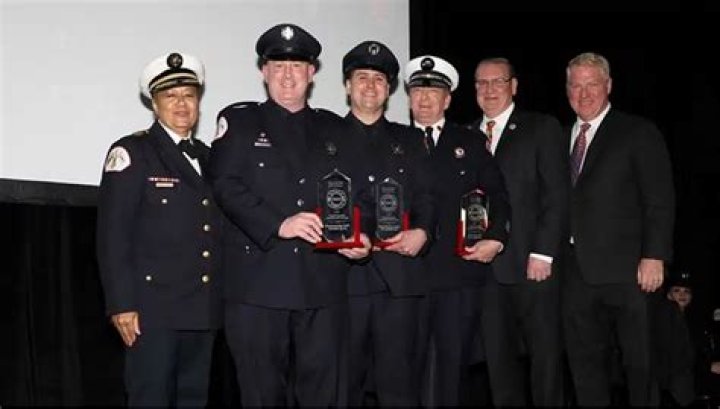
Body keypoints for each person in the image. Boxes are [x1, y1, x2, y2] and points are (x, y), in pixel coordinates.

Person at [207, 23, 371, 407]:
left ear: (311, 73)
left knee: (322, 395)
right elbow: (224, 185)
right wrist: (278, 224)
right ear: (263, 72)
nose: (286, 76)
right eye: (278, 66)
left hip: (322, 284)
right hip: (258, 286)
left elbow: (360, 194)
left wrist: (362, 235)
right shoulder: (240, 122)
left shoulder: (336, 129)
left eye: (296, 66)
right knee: (262, 395)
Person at [96, 51, 223, 406]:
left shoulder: (210, 157)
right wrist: (121, 304)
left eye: (189, 95)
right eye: (171, 96)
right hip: (152, 310)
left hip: (202, 308)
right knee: (150, 399)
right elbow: (113, 235)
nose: (181, 104)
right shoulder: (132, 152)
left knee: (193, 400)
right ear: (154, 104)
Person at [562, 51, 675, 407]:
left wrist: (654, 255)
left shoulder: (638, 132)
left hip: (630, 273)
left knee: (640, 366)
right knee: (584, 367)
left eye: (592, 84)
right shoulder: (559, 136)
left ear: (608, 85)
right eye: (576, 85)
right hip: (575, 273)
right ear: (567, 89)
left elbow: (659, 199)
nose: (583, 93)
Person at [405, 55, 511, 406]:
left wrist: (496, 237)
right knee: (407, 371)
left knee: (452, 371)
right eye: (417, 91)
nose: (424, 99)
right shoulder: (395, 141)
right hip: (407, 277)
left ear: (447, 99)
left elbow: (497, 195)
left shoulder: (470, 142)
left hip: (458, 276)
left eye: (433, 92)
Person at [466, 57, 569, 407]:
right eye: (482, 83)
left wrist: (543, 253)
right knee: (499, 365)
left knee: (545, 362)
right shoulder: (466, 135)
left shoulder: (541, 127)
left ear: (514, 86)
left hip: (532, 266)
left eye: (498, 81)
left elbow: (557, 195)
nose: (489, 89)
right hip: (485, 272)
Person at [341, 41, 436, 406]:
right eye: (361, 77)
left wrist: (423, 232)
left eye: (379, 79)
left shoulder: (410, 139)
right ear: (347, 85)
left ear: (389, 89)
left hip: (399, 281)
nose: (370, 86)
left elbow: (427, 196)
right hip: (344, 281)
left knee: (400, 388)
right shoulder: (325, 135)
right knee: (344, 387)